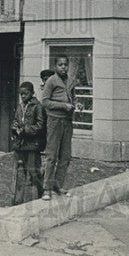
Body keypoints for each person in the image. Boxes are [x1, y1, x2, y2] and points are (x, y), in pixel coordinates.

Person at [41, 55, 75, 200]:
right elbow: (45, 102)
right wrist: (63, 106)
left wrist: (77, 104)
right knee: (51, 155)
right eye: (60, 65)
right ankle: (46, 189)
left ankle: (58, 185)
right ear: (55, 66)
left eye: (65, 65)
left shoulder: (70, 80)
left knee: (65, 156)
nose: (63, 67)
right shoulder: (51, 81)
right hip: (54, 121)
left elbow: (73, 98)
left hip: (67, 122)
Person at [11, 82, 45, 203]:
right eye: (21, 94)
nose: (23, 96)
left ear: (32, 93)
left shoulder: (37, 106)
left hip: (32, 145)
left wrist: (25, 130)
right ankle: (18, 200)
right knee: (20, 173)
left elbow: (40, 125)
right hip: (20, 145)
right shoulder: (20, 106)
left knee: (34, 172)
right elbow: (15, 120)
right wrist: (15, 128)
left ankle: (40, 196)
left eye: (25, 93)